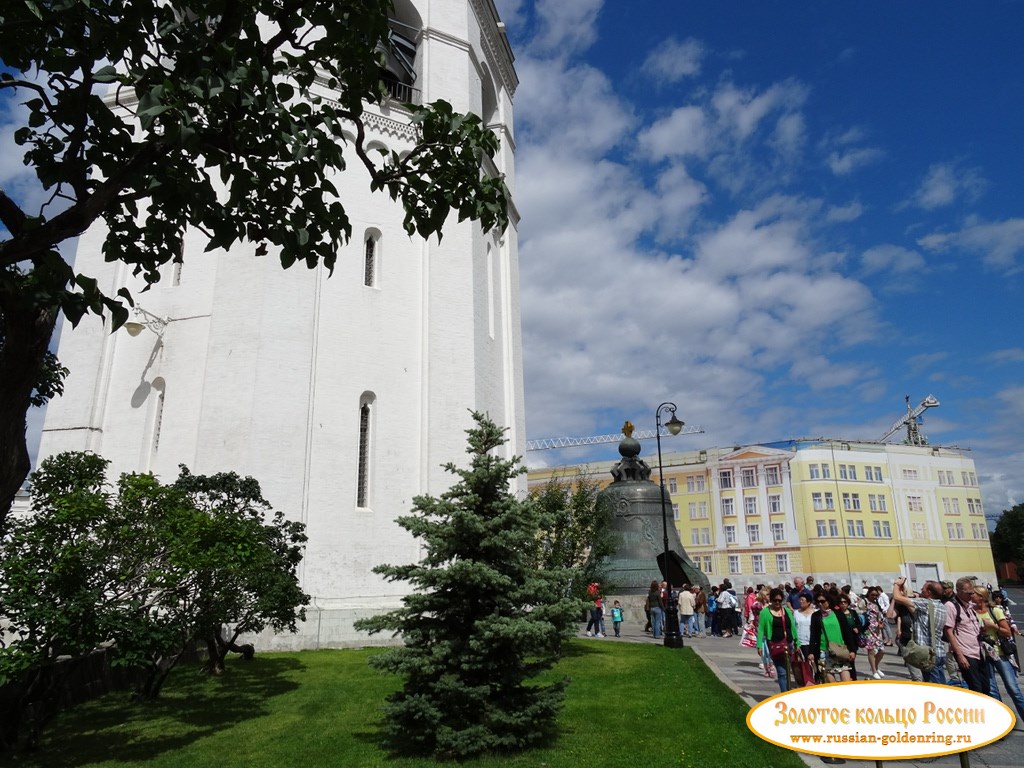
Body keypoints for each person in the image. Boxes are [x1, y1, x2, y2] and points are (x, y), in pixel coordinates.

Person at [973, 585, 1024, 718]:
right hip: (983, 653)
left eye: (974, 594)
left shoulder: (994, 610)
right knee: (992, 690)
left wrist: (992, 626)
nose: (971, 596)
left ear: (981, 596)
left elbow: (1007, 632)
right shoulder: (971, 612)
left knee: (1013, 689)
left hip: (999, 652)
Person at [892, 578, 947, 683]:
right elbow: (912, 609)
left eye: (924, 588)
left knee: (933, 688)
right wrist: (904, 591)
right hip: (938, 652)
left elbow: (897, 598)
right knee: (941, 685)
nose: (921, 589)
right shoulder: (940, 606)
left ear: (929, 592)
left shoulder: (926, 603)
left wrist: (896, 584)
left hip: (929, 655)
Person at [944, 577, 989, 693]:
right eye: (968, 593)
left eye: (972, 592)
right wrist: (960, 656)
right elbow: (949, 631)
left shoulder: (969, 605)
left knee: (986, 687)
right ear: (958, 591)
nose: (971, 595)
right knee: (976, 689)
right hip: (966, 653)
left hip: (978, 651)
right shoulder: (951, 606)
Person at [808, 589, 858, 682]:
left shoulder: (838, 614)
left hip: (840, 650)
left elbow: (847, 632)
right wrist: (811, 652)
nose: (820, 604)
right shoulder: (816, 616)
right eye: (818, 602)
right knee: (831, 684)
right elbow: (813, 635)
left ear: (828, 601)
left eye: (822, 601)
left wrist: (852, 650)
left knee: (846, 681)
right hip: (825, 652)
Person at [757, 588, 799, 692]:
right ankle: (785, 695)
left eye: (779, 600)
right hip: (774, 644)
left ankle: (788, 691)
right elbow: (761, 629)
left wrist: (797, 642)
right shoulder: (765, 612)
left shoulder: (787, 611)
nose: (777, 602)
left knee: (789, 671)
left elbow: (792, 627)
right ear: (770, 600)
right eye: (775, 600)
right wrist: (759, 645)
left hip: (788, 644)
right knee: (782, 672)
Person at [792, 591, 817, 686]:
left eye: (803, 600)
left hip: (812, 642)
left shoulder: (814, 613)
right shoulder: (796, 613)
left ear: (809, 602)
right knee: (804, 663)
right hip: (801, 642)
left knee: (813, 663)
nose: (800, 602)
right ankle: (806, 682)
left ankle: (815, 680)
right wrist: (795, 642)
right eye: (800, 600)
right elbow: (794, 628)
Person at [836, 593, 862, 680]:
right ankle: (850, 677)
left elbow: (858, 623)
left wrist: (857, 628)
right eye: (841, 602)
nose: (843, 604)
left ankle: (853, 677)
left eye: (845, 602)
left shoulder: (852, 612)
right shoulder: (838, 614)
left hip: (853, 639)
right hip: (843, 639)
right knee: (847, 660)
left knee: (852, 659)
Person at [862, 586, 887, 678]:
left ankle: (875, 666)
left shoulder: (876, 604)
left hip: (877, 630)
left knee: (882, 651)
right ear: (868, 594)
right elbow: (859, 613)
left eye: (876, 595)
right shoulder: (864, 602)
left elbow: (879, 616)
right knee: (871, 651)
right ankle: (873, 670)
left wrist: (881, 624)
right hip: (868, 630)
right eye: (872, 595)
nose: (874, 597)